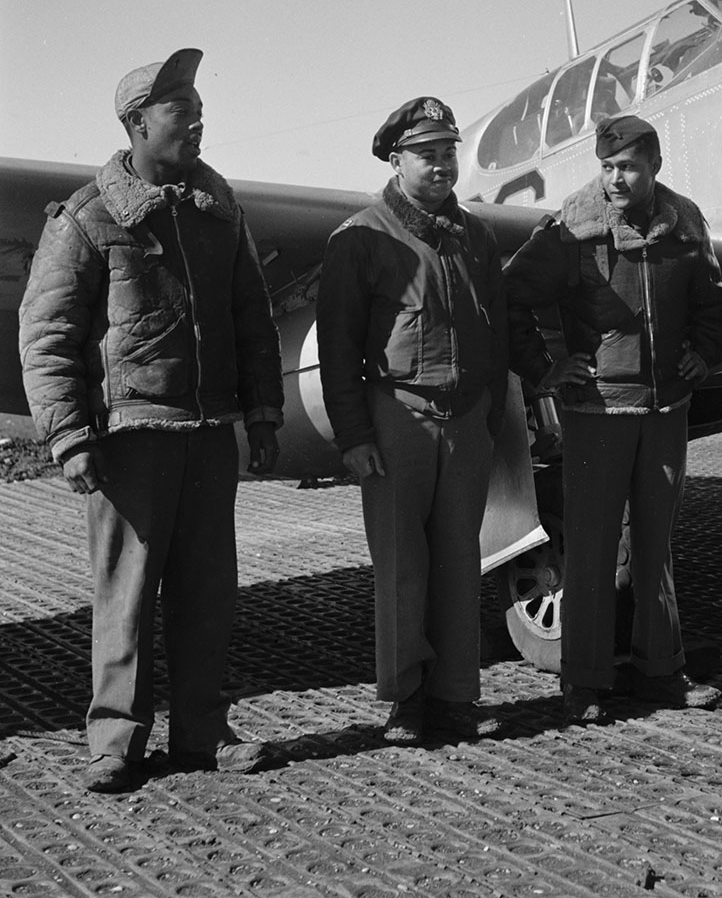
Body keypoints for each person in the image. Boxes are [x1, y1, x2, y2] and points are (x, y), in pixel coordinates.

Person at [18, 49, 284, 794]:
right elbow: (46, 335)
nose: (198, 121)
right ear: (137, 122)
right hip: (129, 439)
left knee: (207, 593)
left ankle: (203, 733)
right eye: (181, 110)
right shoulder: (86, 218)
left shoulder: (219, 211)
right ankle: (115, 743)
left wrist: (263, 415)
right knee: (125, 596)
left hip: (207, 438)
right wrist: (67, 436)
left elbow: (253, 321)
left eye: (200, 108)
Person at [504, 115, 722, 725]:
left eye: (627, 167)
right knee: (593, 549)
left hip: (665, 412)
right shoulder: (571, 230)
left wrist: (702, 353)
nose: (615, 179)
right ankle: (584, 682)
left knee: (655, 548)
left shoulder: (685, 225)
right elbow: (509, 298)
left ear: (654, 165)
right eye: (606, 167)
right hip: (596, 411)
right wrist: (545, 369)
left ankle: (662, 672)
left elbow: (713, 301)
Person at [316, 97, 508, 745]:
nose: (441, 164)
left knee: (459, 560)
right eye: (427, 153)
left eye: (448, 152)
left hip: (466, 421)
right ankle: (405, 700)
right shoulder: (361, 238)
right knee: (402, 563)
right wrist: (354, 438)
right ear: (396, 159)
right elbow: (337, 350)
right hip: (398, 416)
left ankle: (456, 698)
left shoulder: (476, 236)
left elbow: (497, 333)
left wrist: (491, 420)